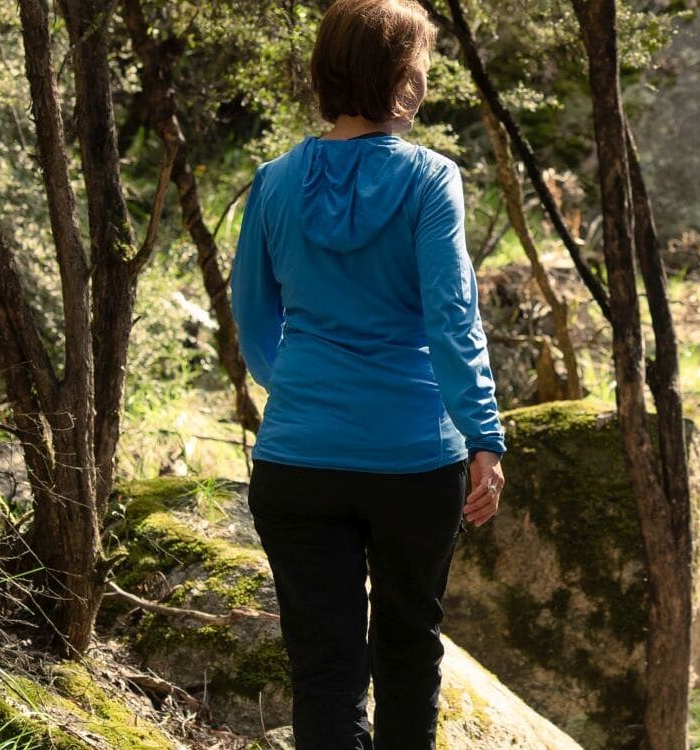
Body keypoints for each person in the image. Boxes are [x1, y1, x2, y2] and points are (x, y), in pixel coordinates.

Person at [229, 1, 505, 747]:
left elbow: (254, 320)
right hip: (415, 462)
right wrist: (484, 432)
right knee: (410, 654)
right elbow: (452, 319)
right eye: (420, 67)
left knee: (325, 672)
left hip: (296, 462)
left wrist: (301, 394)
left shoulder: (274, 182)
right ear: (401, 77)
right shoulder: (429, 181)